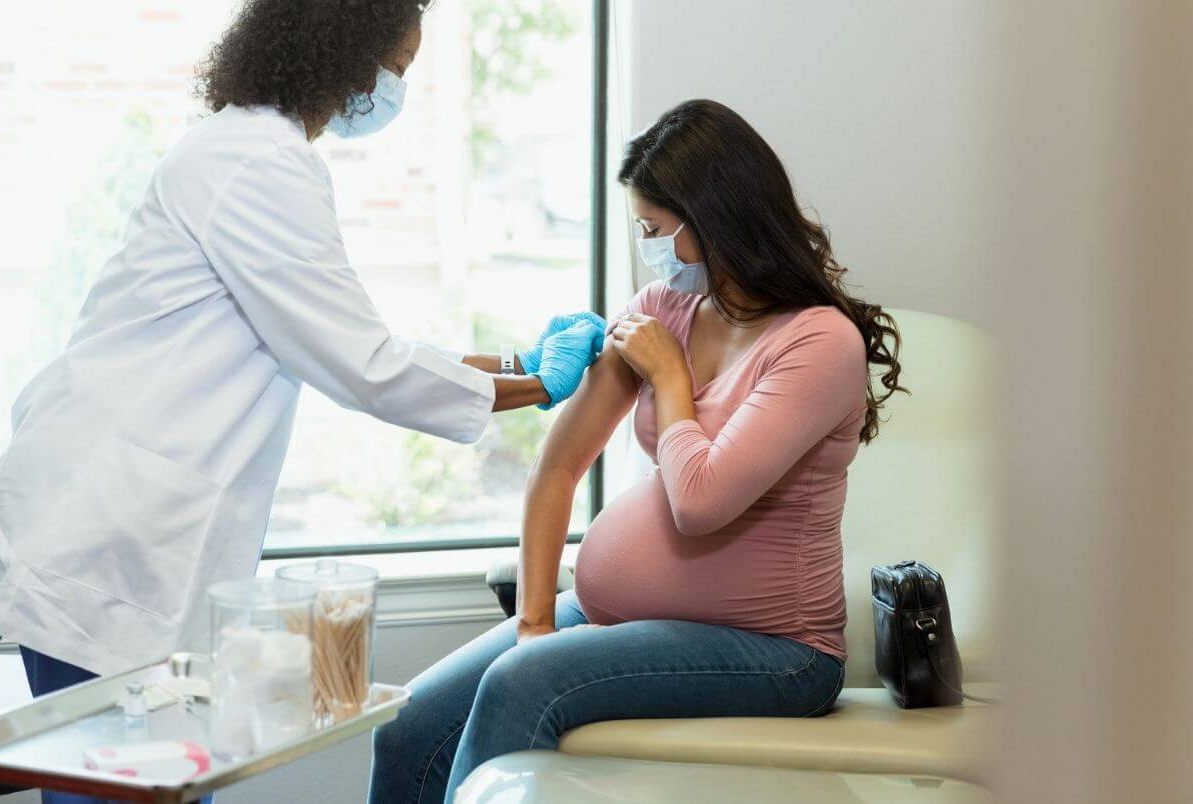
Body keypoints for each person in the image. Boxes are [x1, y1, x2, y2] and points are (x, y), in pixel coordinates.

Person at [0, 0, 603, 804]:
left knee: (148, 786)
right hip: (109, 545)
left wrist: (516, 358)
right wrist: (538, 382)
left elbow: (350, 339)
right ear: (342, 51)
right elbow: (364, 365)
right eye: (396, 64)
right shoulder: (257, 165)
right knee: (123, 790)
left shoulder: (247, 153)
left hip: (121, 534)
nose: (395, 90)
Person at [368, 99, 908, 802]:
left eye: (656, 229)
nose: (647, 247)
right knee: (408, 725)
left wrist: (671, 378)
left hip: (776, 652)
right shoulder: (662, 308)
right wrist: (534, 623)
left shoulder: (818, 344)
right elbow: (558, 467)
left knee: (522, 684)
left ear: (714, 221)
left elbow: (702, 504)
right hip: (614, 618)